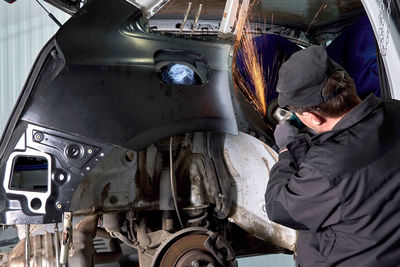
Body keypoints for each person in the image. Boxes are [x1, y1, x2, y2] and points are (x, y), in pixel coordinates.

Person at [265, 45, 400, 267]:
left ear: (312, 117)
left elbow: (279, 207)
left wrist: (286, 150)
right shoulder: (395, 110)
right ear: (349, 84)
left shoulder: (326, 169)